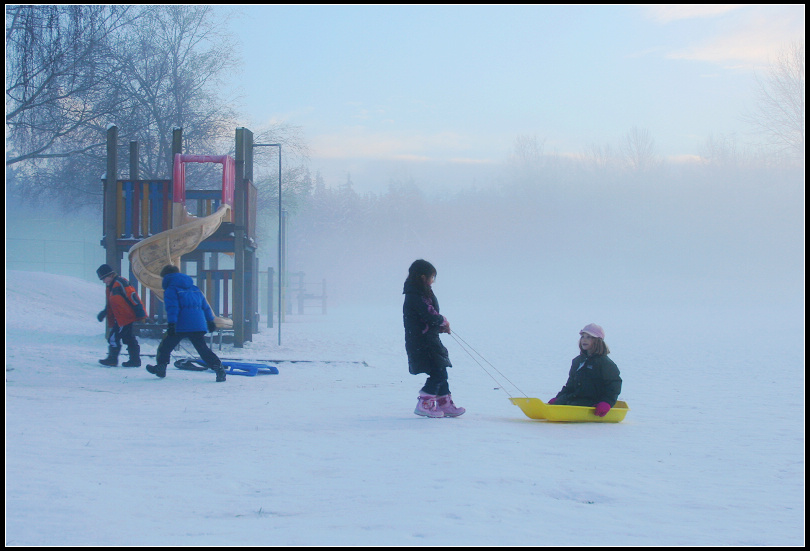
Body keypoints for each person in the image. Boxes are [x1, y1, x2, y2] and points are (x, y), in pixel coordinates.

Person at [402, 259, 464, 418]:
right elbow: (427, 313)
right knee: (438, 372)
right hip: (422, 341)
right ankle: (425, 403)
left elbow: (427, 317)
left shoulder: (422, 292)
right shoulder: (414, 295)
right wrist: (442, 320)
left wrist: (439, 326)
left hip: (429, 338)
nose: (432, 281)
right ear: (423, 277)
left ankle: (444, 403)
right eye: (431, 277)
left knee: (441, 369)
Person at [145, 265, 226, 382]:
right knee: (203, 349)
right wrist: (210, 321)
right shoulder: (195, 288)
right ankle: (219, 369)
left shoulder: (171, 290)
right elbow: (205, 306)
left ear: (167, 277)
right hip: (198, 324)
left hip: (181, 324)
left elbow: (172, 308)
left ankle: (161, 368)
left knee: (165, 346)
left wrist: (172, 324)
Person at [549, 323, 622, 417]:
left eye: (589, 337)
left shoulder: (605, 363)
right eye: (583, 336)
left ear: (597, 341)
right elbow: (570, 385)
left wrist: (607, 402)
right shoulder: (578, 361)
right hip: (574, 400)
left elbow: (614, 385)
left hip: (593, 404)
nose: (584, 339)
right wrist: (558, 398)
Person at [96, 264, 147, 367]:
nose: (103, 281)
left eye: (104, 278)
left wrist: (140, 312)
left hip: (125, 317)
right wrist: (105, 312)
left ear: (110, 275)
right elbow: (112, 303)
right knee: (128, 338)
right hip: (121, 318)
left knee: (113, 337)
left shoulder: (120, 283)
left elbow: (132, 297)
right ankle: (135, 360)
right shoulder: (111, 287)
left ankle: (112, 359)